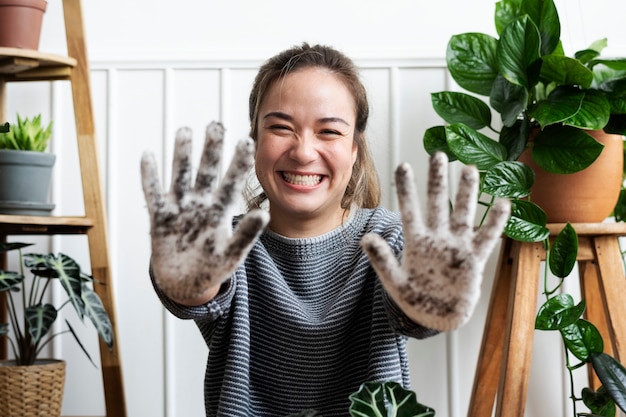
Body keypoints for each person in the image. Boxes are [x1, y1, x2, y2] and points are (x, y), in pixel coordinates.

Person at [140, 42, 510, 417]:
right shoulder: (223, 247)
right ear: (254, 142)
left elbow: (412, 314)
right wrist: (187, 286)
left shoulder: (390, 239)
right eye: (281, 127)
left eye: (329, 131)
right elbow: (197, 292)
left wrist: (432, 307)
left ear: (354, 149)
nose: (303, 152)